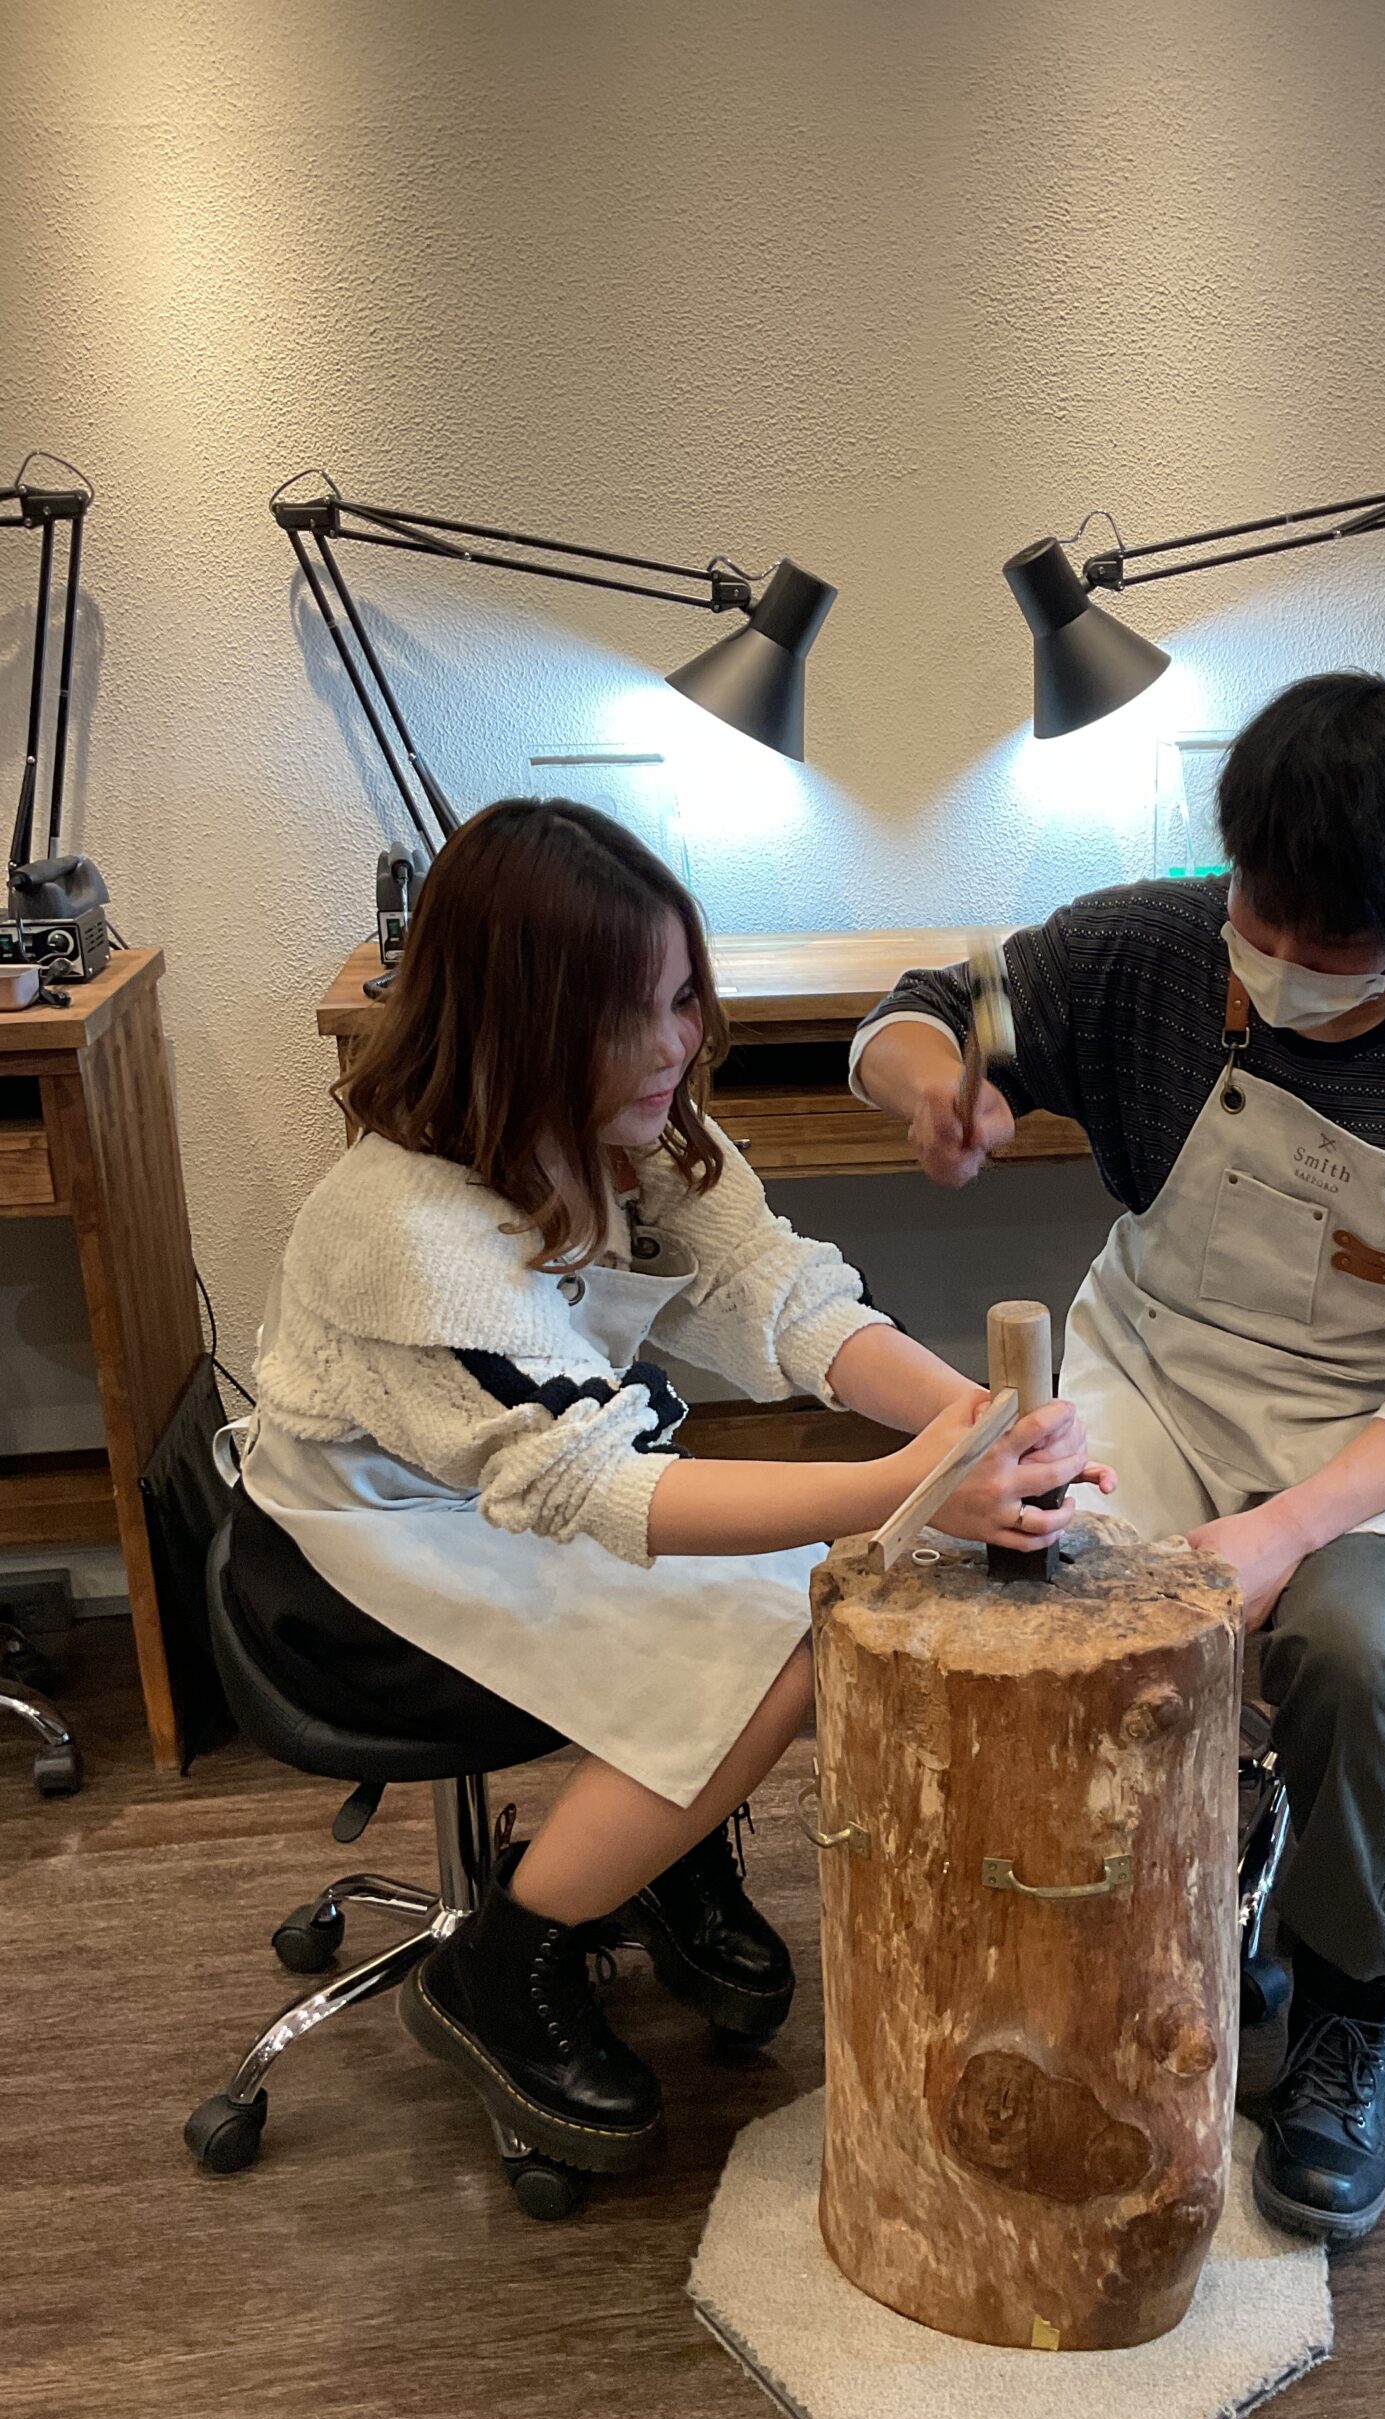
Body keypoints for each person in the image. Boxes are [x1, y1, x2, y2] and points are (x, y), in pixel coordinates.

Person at [228, 799, 1107, 2177]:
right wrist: (907, 1488)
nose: (671, 1046)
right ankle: (499, 1967)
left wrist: (971, 1421)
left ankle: (660, 1845)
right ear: (511, 1021)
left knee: (792, 1593)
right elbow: (597, 1489)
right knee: (795, 1632)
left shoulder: (627, 1131)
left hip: (518, 1492)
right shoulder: (402, 1233)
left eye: (684, 997)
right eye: (622, 1015)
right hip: (353, 1560)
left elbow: (777, 1292)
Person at [851, 674, 1385, 2245]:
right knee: (1036, 1576)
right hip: (1163, 1377)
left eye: (1335, 943)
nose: (1287, 962)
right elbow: (918, 1009)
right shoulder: (1150, 951)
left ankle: (1348, 2003)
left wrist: (1285, 1532)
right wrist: (931, 1086)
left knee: (1351, 1642)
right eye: (1264, 917)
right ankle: (1076, 1941)